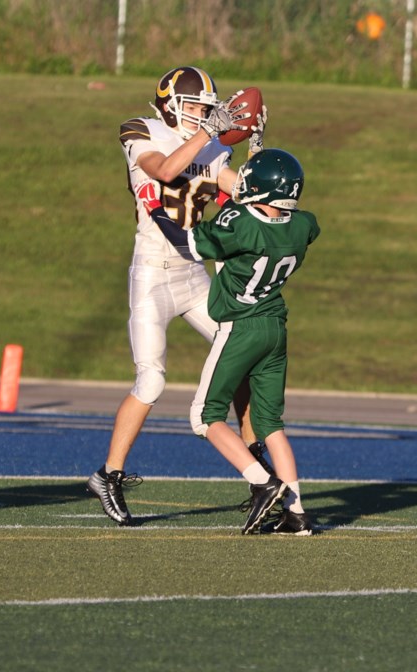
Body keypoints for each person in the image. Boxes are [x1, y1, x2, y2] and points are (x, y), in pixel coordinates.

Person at [87, 65, 269, 526]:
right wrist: (210, 135)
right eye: (196, 107)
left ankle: (257, 470)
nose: (204, 115)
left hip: (193, 275)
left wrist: (255, 148)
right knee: (151, 381)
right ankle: (108, 475)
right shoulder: (141, 131)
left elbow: (247, 193)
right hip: (151, 274)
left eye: (209, 109)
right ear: (168, 104)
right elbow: (165, 169)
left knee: (242, 355)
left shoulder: (209, 146)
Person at [151, 148, 319, 535]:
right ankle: (297, 512)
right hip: (275, 327)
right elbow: (270, 216)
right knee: (271, 423)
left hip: (240, 326)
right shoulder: (304, 225)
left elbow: (190, 244)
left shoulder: (242, 223)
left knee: (204, 416)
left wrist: (156, 211)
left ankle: (262, 482)